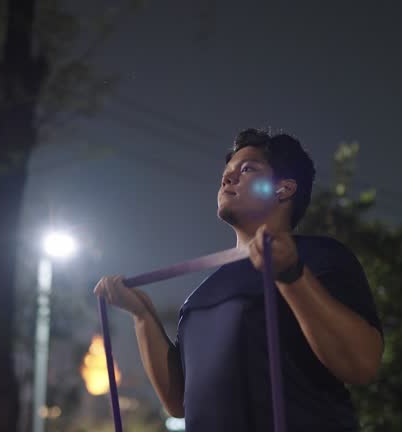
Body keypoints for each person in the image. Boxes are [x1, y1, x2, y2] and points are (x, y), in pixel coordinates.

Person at [94, 128, 383, 431]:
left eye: (247, 170)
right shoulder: (201, 295)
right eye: (227, 173)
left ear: (283, 189)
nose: (227, 179)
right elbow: (179, 402)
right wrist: (142, 316)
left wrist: (291, 276)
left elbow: (362, 362)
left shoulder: (319, 256)